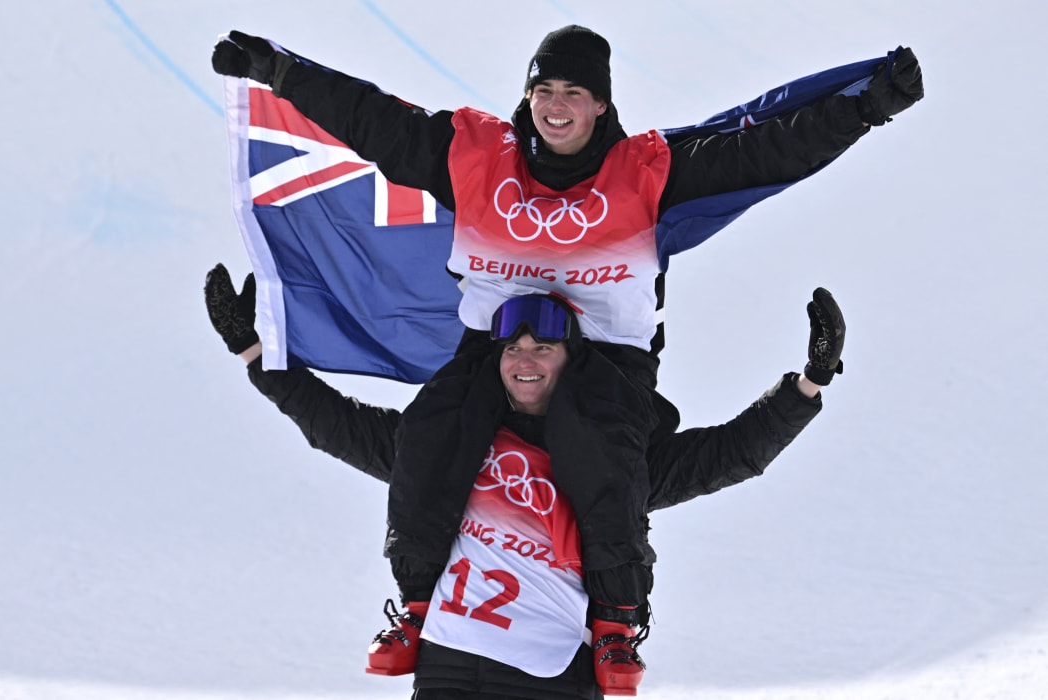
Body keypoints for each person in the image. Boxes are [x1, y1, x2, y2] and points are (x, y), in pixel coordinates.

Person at [210, 24, 913, 691]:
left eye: (573, 93)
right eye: (544, 91)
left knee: (598, 450)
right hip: (489, 352)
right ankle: (419, 604)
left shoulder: (646, 171)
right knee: (428, 438)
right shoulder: (475, 156)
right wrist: (281, 72)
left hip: (604, 368)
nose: (555, 107)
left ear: (601, 104)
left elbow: (764, 153)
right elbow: (371, 120)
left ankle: (613, 620)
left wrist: (866, 110)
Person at [204, 262, 847, 698]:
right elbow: (334, 425)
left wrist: (808, 383)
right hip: (448, 665)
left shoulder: (614, 457)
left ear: (572, 361)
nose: (525, 359)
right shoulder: (448, 440)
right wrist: (255, 357)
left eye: (544, 347)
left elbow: (730, 454)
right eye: (513, 348)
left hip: (553, 674)